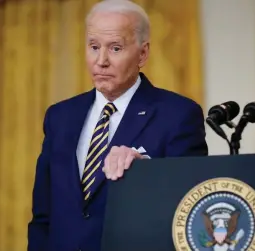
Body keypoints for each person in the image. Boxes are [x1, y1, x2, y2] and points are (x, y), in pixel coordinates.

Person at [27, 1, 208, 251]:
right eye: (93, 47)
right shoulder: (60, 116)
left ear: (142, 54)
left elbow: (188, 211)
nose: (101, 61)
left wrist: (146, 173)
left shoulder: (178, 115)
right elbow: (43, 217)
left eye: (115, 48)